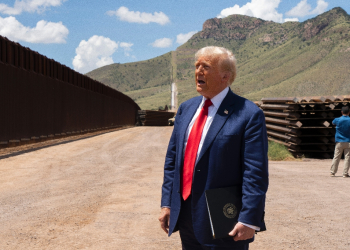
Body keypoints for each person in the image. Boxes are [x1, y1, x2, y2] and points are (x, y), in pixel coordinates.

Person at [158, 46, 269, 250]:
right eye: (197, 65)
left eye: (206, 66)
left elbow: (255, 172)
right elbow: (173, 161)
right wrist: (167, 203)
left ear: (225, 76)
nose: (198, 71)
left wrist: (249, 218)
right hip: (186, 215)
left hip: (224, 219)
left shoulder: (248, 114)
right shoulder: (186, 108)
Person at [330, 106, 350, 178]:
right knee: (347, 158)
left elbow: (332, 123)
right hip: (348, 141)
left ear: (341, 112)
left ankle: (333, 172)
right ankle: (345, 173)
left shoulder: (337, 120)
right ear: (349, 112)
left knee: (336, 157)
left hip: (339, 141)